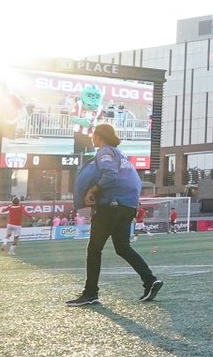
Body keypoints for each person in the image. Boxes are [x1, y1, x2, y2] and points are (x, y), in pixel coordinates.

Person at [65, 123, 162, 307]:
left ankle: (90, 293)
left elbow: (110, 175)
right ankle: (150, 280)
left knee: (94, 249)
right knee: (123, 248)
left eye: (93, 134)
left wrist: (92, 189)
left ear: (99, 136)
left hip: (112, 206)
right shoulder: (120, 154)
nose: (92, 138)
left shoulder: (105, 152)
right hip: (126, 206)